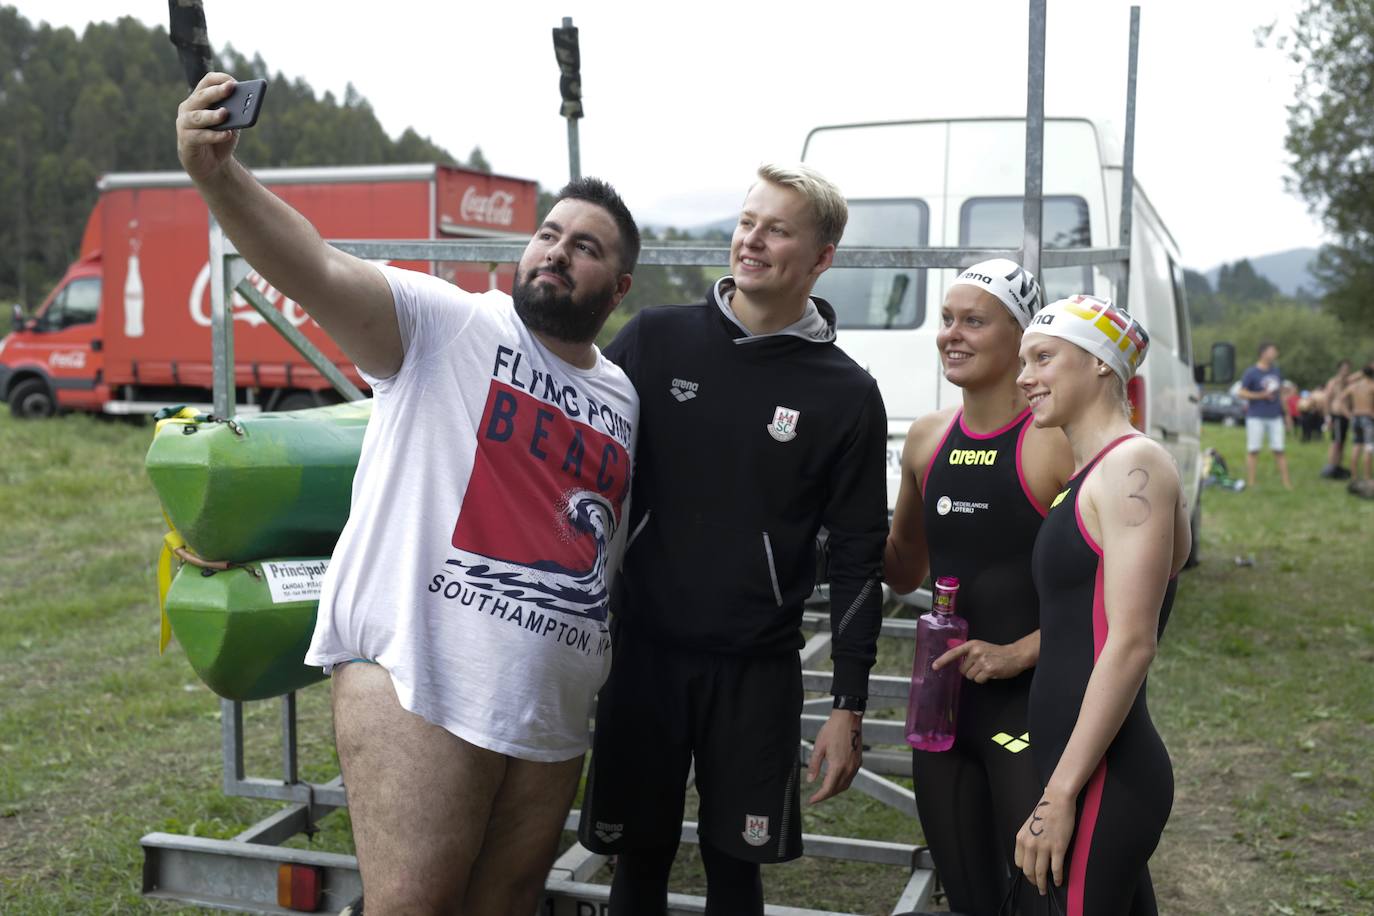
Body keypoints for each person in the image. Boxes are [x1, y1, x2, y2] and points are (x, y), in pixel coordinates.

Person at [177, 74, 643, 913]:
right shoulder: (449, 325)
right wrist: (220, 176)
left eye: (588, 247)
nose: (558, 250)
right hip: (420, 683)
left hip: (550, 710)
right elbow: (314, 264)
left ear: (620, 290)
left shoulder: (621, 396)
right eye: (549, 233)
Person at [578, 164, 888, 914]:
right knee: (636, 865)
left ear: (821, 259)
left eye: (777, 229)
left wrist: (848, 704)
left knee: (735, 872)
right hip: (643, 653)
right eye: (748, 221)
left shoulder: (846, 394)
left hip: (757, 670)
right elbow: (576, 461)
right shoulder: (655, 340)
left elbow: (857, 558)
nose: (751, 240)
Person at [884, 259, 1074, 916]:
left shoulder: (1056, 444)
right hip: (942, 714)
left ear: (1020, 338)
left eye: (973, 320)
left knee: (1040, 900)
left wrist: (1019, 652)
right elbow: (903, 569)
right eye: (946, 319)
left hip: (1026, 715)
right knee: (969, 899)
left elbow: (1123, 597)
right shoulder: (927, 438)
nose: (951, 335)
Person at [1014, 294, 1186, 915]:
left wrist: (1060, 794)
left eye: (1042, 358)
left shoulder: (1133, 466)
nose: (1023, 377)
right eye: (1022, 362)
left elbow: (1132, 640)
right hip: (1077, 766)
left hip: (1102, 778)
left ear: (1101, 365)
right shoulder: (1086, 476)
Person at [1236, 342, 1292, 489]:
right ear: (1263, 353)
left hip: (1275, 416)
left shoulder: (1276, 371)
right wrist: (1260, 395)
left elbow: (1280, 395)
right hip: (1256, 416)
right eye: (1273, 351)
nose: (1275, 354)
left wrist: (1286, 415)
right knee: (1254, 449)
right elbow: (1241, 392)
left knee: (1279, 449)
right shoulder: (1251, 372)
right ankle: (1252, 482)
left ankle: (1286, 483)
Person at [1322, 360, 1354, 478]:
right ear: (1339, 369)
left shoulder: (1348, 382)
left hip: (1344, 417)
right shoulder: (1333, 382)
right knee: (1336, 442)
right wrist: (1327, 417)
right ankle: (1331, 468)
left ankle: (1337, 466)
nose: (1346, 370)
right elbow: (1326, 399)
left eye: (1348, 368)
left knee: (1342, 443)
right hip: (1337, 416)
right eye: (1344, 368)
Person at [1343, 363, 1374, 483]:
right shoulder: (1372, 385)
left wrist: (1348, 414)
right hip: (1367, 417)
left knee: (1356, 446)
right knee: (1368, 447)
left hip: (1355, 416)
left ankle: (1354, 476)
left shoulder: (1353, 386)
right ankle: (1367, 478)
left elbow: (1341, 398)